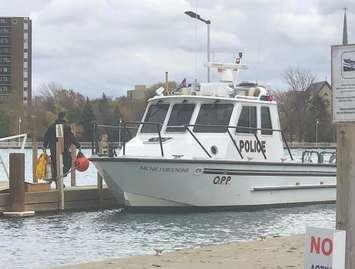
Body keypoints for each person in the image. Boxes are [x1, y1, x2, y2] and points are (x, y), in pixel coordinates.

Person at [43, 112, 81, 184]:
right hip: (64, 149)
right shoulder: (66, 127)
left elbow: (46, 137)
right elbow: (71, 137)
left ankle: (57, 180)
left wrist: (44, 147)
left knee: (55, 165)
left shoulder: (51, 126)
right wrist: (78, 145)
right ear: (64, 117)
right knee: (68, 163)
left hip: (53, 150)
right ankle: (60, 177)